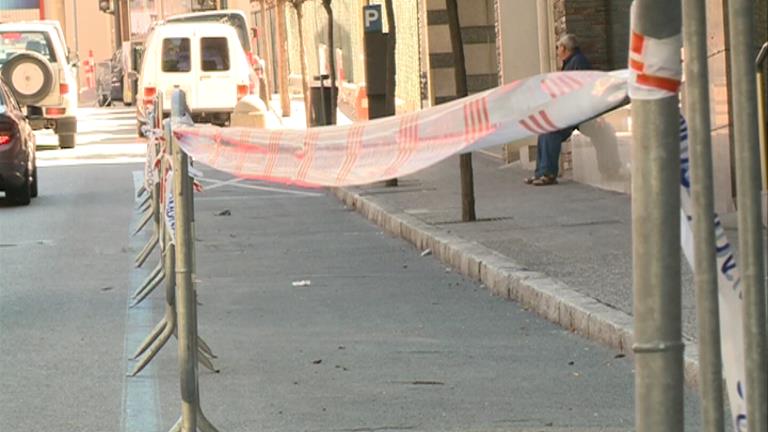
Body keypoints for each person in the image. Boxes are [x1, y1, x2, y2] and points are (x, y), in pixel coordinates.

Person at [525, 34, 592, 186]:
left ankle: (548, 173)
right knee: (544, 129)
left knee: (551, 131)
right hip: (570, 109)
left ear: (564, 48)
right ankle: (541, 172)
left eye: (558, 47)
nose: (556, 50)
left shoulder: (577, 62)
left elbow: (577, 90)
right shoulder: (571, 62)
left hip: (578, 111)